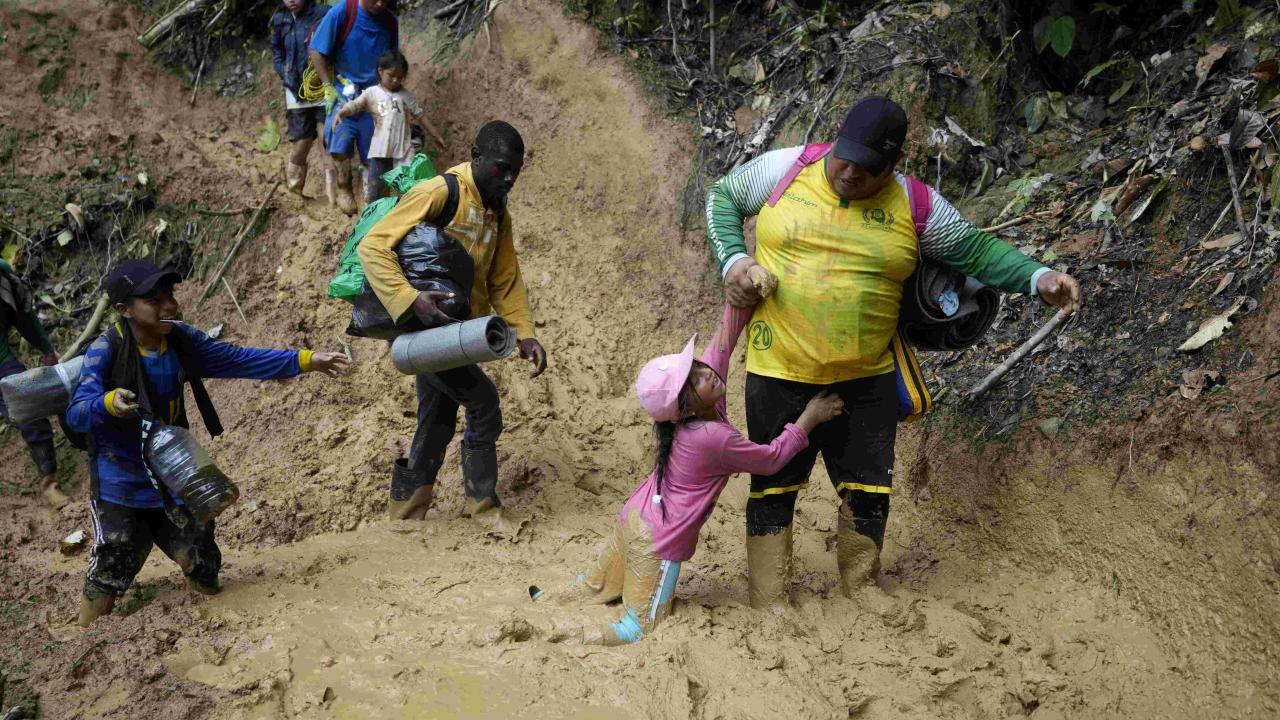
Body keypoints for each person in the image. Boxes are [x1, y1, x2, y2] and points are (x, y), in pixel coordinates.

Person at [704, 96, 1082, 611]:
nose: (850, 173)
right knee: (774, 485)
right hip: (778, 369)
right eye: (845, 156)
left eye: (869, 166)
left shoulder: (917, 204)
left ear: (895, 164)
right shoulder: (786, 170)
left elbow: (977, 251)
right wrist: (734, 260)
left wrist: (1039, 277)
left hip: (868, 377)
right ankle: (768, 594)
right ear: (835, 140)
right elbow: (722, 197)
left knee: (867, 487)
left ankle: (860, 586)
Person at [66, 260, 349, 626]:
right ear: (124, 310)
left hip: (174, 472)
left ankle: (214, 627)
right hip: (120, 481)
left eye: (169, 296)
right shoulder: (105, 351)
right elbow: (76, 413)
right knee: (114, 562)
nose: (170, 306)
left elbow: (237, 359)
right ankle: (85, 637)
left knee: (200, 557)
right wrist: (107, 403)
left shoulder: (181, 340)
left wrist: (307, 360)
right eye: (154, 300)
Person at [553, 301, 844, 645]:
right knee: (638, 628)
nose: (705, 373)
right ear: (686, 406)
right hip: (657, 545)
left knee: (590, 588)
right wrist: (810, 417)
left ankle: (538, 606)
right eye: (693, 379)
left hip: (634, 518)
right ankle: (563, 639)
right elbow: (769, 460)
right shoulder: (712, 438)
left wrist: (739, 297)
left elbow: (722, 343)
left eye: (695, 367)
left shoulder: (697, 405)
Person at [358, 120, 547, 532]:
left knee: (437, 417)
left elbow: (504, 277)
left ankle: (405, 515)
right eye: (501, 168)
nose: (510, 178)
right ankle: (485, 508)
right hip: (426, 332)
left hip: (458, 332)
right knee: (483, 402)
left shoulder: (498, 212)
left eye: (516, 170)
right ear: (475, 157)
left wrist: (525, 333)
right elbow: (373, 244)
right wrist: (410, 300)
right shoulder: (441, 192)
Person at [308, 0, 399, 214]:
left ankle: (371, 198)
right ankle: (344, 185)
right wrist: (328, 86)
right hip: (344, 95)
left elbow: (393, 59)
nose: (379, 4)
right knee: (340, 145)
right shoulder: (342, 12)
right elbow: (316, 51)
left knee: (374, 153)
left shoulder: (389, 22)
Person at [335, 49, 447, 203]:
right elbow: (356, 105)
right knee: (377, 195)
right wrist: (341, 113)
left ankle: (407, 220)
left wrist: (436, 135)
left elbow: (420, 116)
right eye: (391, 76)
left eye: (400, 77)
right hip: (380, 152)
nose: (395, 80)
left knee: (410, 190)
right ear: (380, 71)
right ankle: (376, 222)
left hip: (404, 151)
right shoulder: (372, 93)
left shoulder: (405, 95)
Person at [0, 260, 67, 509]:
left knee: (29, 405)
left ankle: (50, 481)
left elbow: (23, 316)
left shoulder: (2, 275)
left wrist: (46, 348)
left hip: (1, 360)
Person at [268, 0, 330, 197]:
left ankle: (334, 193)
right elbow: (277, 48)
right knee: (302, 141)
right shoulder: (280, 19)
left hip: (322, 84)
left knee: (326, 139)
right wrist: (283, 71)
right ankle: (294, 191)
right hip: (295, 87)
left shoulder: (323, 14)